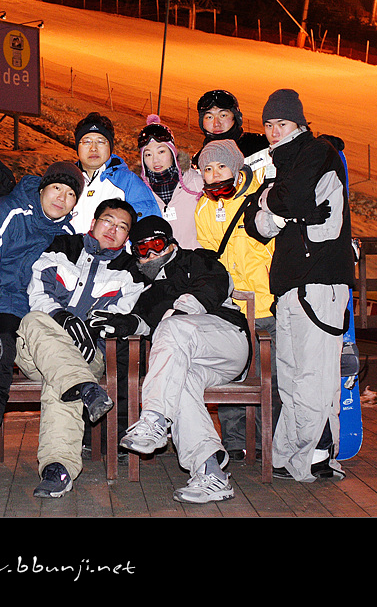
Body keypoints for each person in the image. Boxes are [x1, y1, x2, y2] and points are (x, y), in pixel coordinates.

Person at [246, 88, 354, 482]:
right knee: (292, 378)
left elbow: (289, 201)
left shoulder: (317, 151)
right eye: (269, 125)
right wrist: (280, 208)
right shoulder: (280, 163)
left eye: (282, 123)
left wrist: (275, 205)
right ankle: (295, 456)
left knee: (313, 377)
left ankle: (311, 457)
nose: (274, 131)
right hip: (290, 284)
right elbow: (254, 222)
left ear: (299, 123)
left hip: (320, 281)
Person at [17, 199, 147, 497]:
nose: (112, 229)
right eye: (108, 221)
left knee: (64, 380)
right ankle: (86, 388)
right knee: (34, 319)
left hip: (87, 355)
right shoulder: (62, 247)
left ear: (127, 237)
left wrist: (88, 328)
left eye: (122, 227)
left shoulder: (130, 272)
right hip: (36, 348)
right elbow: (37, 291)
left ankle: (58, 467)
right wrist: (61, 317)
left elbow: (117, 315)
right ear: (93, 222)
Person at [118, 215, 251, 504]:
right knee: (181, 385)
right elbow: (143, 323)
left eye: (156, 244)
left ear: (170, 243)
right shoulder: (143, 288)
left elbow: (215, 284)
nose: (151, 254)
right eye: (142, 249)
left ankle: (154, 418)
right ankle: (210, 472)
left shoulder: (195, 260)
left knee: (172, 327)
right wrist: (126, 323)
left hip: (226, 341)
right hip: (192, 362)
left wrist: (180, 311)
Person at [0, 161, 83, 453]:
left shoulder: (68, 232)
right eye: (56, 188)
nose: (61, 197)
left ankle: (66, 443)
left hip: (37, 311)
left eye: (70, 194)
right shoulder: (8, 211)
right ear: (43, 188)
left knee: (62, 354)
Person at [194, 139, 278, 461]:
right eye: (207, 169)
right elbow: (210, 259)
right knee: (233, 373)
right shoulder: (204, 208)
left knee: (272, 377)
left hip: (267, 302)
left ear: (236, 166)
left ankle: (272, 440)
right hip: (231, 308)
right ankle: (235, 440)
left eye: (221, 166)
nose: (215, 174)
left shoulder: (262, 199)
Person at [70, 111, 160, 233]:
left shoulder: (129, 183)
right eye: (87, 142)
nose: (93, 148)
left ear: (110, 147)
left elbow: (148, 229)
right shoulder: (66, 180)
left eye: (101, 141)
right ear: (77, 146)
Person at [137, 114, 203, 250]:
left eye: (161, 152)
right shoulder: (139, 192)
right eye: (148, 154)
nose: (155, 160)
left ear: (172, 152)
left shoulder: (197, 184)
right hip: (161, 262)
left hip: (196, 260)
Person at [193, 89, 271, 178]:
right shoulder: (198, 163)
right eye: (209, 117)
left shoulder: (263, 147)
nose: (216, 124)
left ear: (236, 118)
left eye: (223, 115)